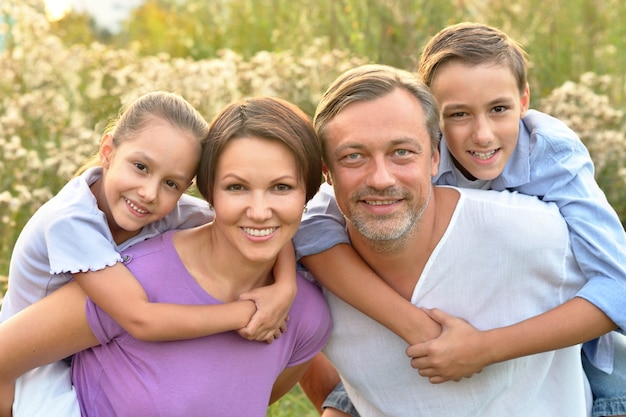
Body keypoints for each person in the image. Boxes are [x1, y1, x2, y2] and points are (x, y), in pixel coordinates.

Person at [296, 23, 626, 417]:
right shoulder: (422, 151)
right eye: (458, 114)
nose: (482, 135)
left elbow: (618, 287)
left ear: (524, 101)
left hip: (589, 357)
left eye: (498, 109)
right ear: (433, 119)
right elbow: (314, 223)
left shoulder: (550, 157)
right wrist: (416, 329)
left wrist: (484, 348)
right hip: (428, 347)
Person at [0, 96, 331, 417]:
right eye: (236, 187)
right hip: (35, 361)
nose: (149, 192)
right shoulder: (72, 223)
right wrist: (243, 313)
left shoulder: (167, 209)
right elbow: (140, 317)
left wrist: (285, 286)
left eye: (282, 187)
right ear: (107, 151)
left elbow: (259, 227)